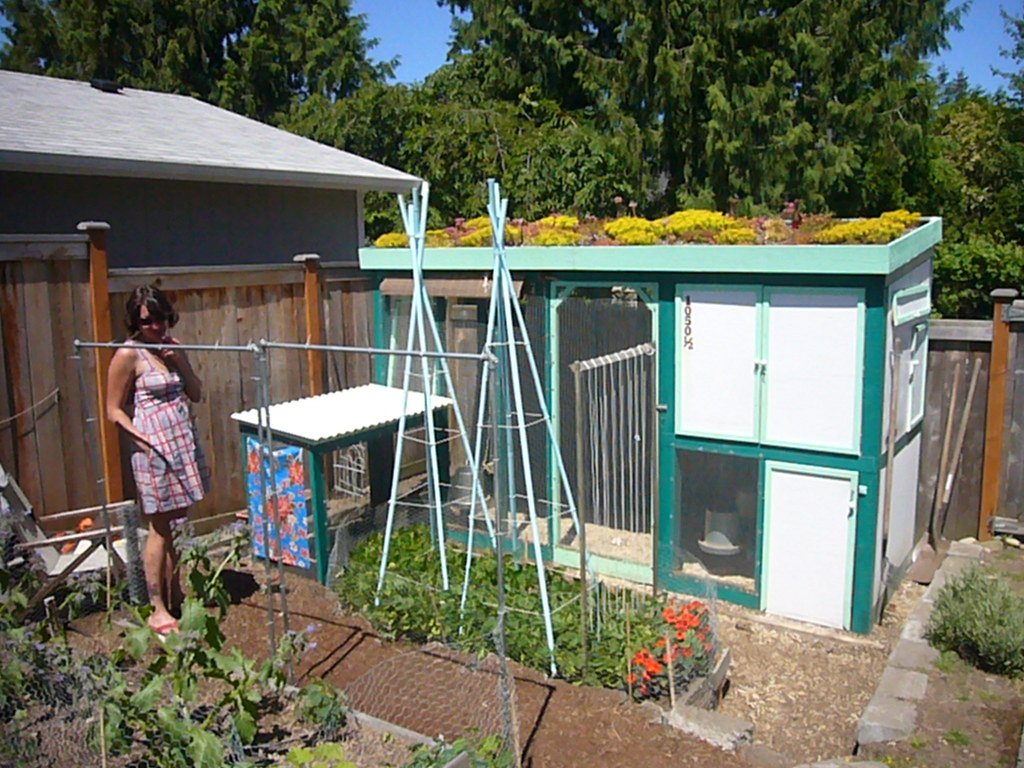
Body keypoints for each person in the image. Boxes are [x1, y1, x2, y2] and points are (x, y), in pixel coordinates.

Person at [106, 285, 209, 635]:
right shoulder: (128, 355)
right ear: (136, 321)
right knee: (159, 529)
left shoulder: (173, 347)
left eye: (161, 318)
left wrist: (178, 360)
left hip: (182, 445)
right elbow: (113, 410)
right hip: (153, 451)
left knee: (175, 525)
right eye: (148, 321)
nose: (156, 327)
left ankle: (175, 591)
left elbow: (196, 393)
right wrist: (143, 439)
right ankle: (157, 609)